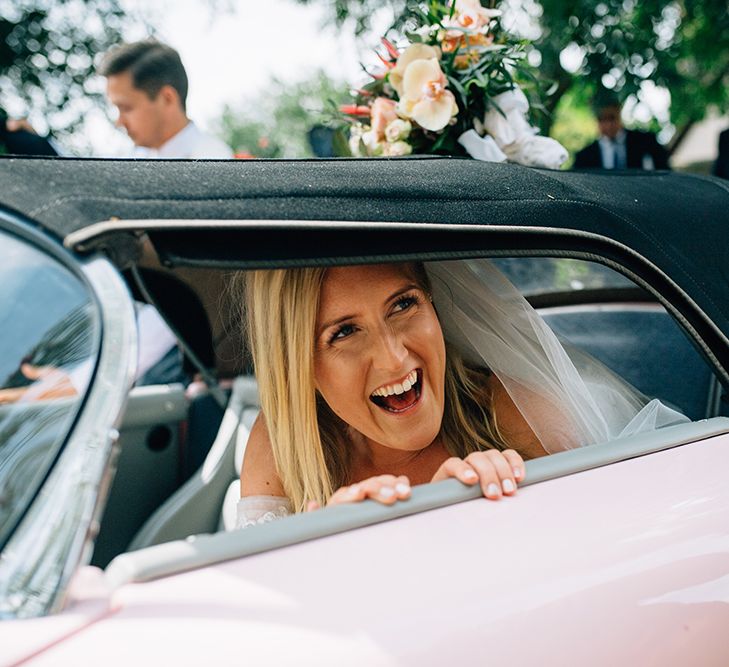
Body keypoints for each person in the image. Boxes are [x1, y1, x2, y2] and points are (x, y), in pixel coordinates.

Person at [234, 260, 687, 527]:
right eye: (345, 332)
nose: (394, 359)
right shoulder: (281, 445)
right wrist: (329, 558)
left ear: (432, 302)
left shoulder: (522, 416)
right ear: (298, 365)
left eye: (403, 304)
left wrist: (486, 524)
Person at [99, 40, 232, 159]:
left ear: (167, 98)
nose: (119, 122)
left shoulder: (214, 162)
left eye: (127, 108)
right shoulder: (133, 159)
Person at [574, 98, 669, 170]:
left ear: (619, 112)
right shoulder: (584, 157)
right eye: (602, 120)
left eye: (611, 118)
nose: (607, 125)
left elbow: (665, 172)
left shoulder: (646, 142)